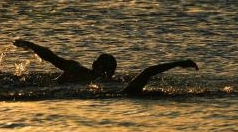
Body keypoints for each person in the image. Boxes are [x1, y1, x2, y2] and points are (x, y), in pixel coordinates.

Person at [13, 39, 198, 95]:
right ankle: (179, 63)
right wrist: (30, 44)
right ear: (94, 65)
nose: (106, 73)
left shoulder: (113, 83)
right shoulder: (76, 69)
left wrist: (29, 44)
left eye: (109, 71)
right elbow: (50, 56)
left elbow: (51, 56)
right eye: (104, 68)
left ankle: (179, 63)